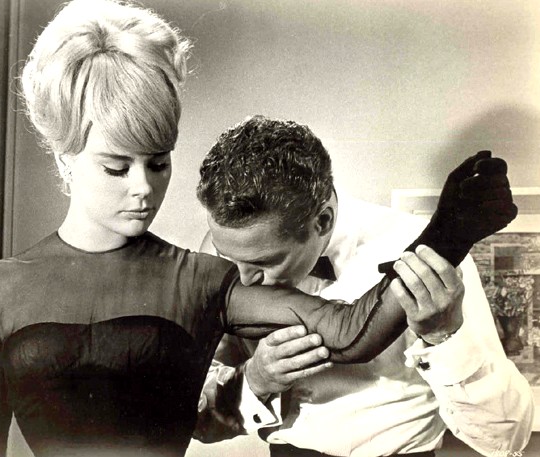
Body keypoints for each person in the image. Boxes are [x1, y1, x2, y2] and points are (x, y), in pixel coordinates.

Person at [0, 2, 513, 457]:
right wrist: (256, 381)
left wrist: (446, 238)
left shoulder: (198, 277)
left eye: (159, 163)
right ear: (65, 158)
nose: (144, 189)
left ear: (321, 221)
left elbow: (350, 331)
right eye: (116, 168)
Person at [195, 115, 533, 457]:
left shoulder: (425, 258)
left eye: (265, 263)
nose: (244, 279)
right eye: (227, 256)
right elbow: (200, 422)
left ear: (322, 221)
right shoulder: (229, 253)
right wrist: (255, 380)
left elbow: (507, 440)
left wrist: (444, 337)